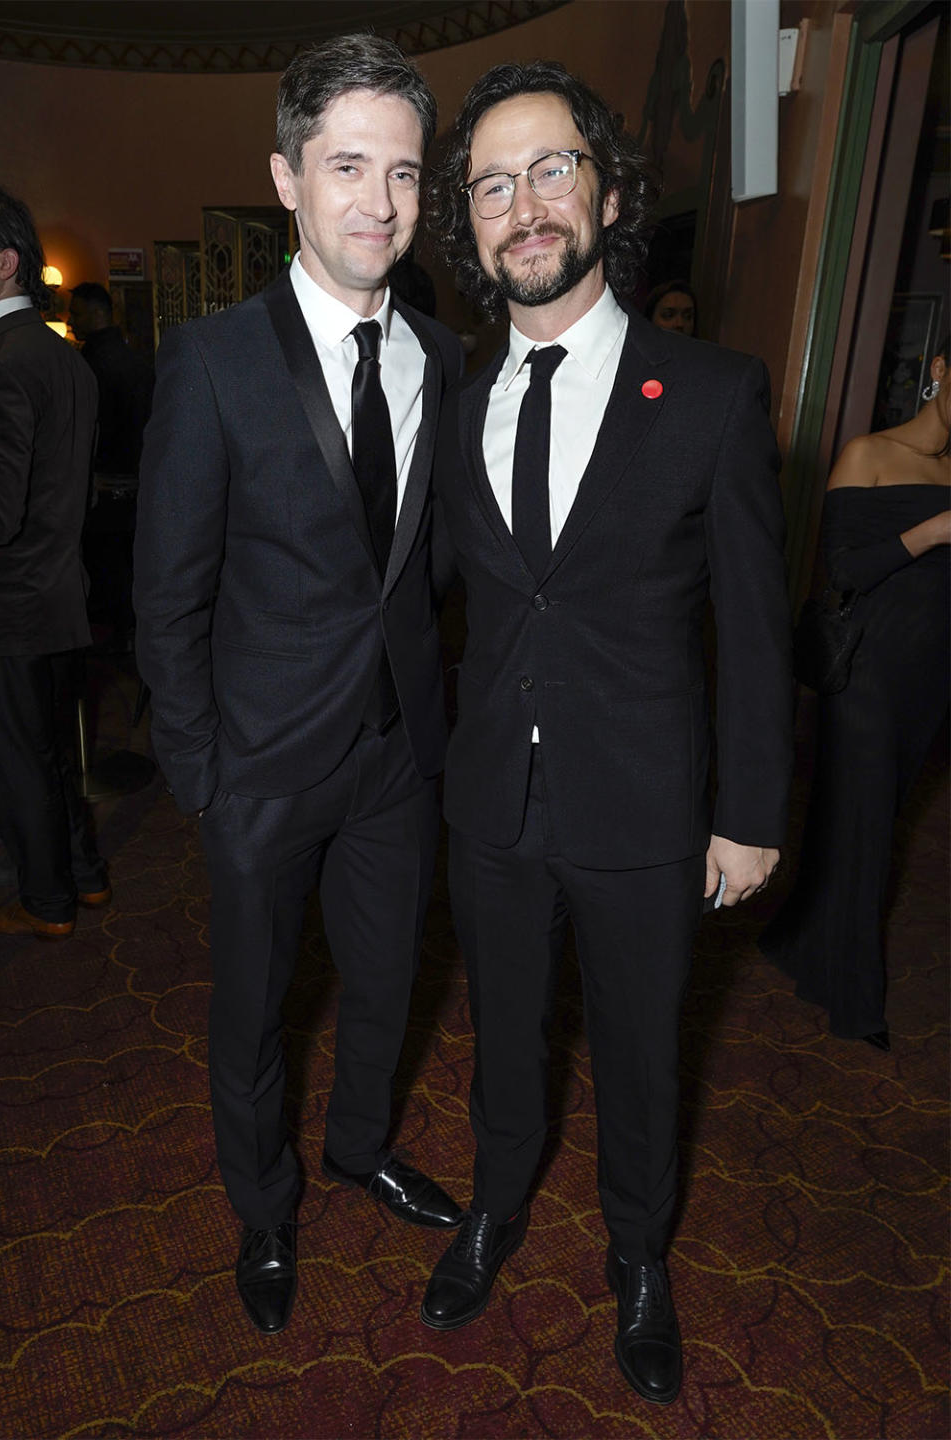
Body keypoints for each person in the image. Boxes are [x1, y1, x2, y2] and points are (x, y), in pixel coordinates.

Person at [421, 62, 792, 1405]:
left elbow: (756, 628)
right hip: (492, 813)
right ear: (470, 229)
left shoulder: (708, 392)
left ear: (609, 192)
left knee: (642, 1054)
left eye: (552, 170)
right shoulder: (458, 411)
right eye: (494, 185)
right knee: (504, 1037)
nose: (525, 205)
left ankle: (640, 1254)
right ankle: (495, 1210)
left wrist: (750, 811)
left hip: (647, 810)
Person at [133, 34, 465, 1338]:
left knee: (386, 981)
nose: (377, 202)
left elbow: (430, 567)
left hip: (397, 755)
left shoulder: (443, 359)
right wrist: (203, 773)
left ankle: (361, 1146)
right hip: (260, 769)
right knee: (257, 1009)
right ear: (285, 178)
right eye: (346, 167)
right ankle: (265, 1206)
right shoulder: (211, 365)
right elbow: (166, 596)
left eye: (402, 172)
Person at [759, 343, 950, 1050]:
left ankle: (803, 936)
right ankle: (854, 995)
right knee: (865, 828)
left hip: (930, 677)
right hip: (867, 672)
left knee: (868, 819)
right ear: (937, 369)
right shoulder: (867, 454)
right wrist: (931, 532)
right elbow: (840, 570)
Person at [0, 186, 110, 940]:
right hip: (63, 590)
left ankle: (47, 900)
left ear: (3, 263)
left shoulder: (4, 359)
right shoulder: (64, 355)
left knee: (21, 761)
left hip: (13, 601)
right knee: (57, 753)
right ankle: (86, 876)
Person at [68, 282, 155, 653]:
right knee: (132, 579)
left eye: (75, 312)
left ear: (95, 312)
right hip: (141, 491)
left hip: (104, 493)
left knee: (110, 584)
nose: (70, 320)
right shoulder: (136, 359)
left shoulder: (88, 366)